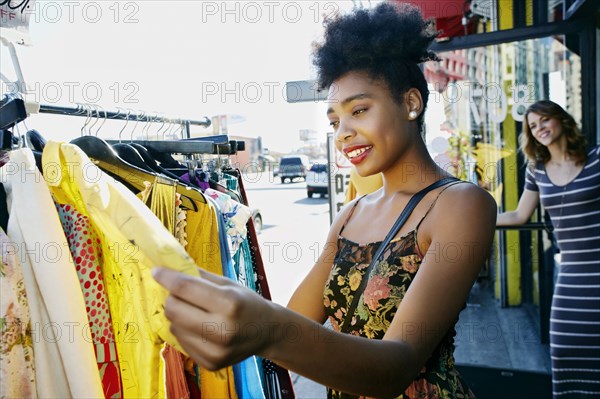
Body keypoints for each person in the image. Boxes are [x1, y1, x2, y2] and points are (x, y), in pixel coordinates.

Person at [153, 4, 497, 398]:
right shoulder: (351, 215)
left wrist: (268, 328)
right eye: (334, 121)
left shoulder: (461, 204)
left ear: (411, 103)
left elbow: (396, 366)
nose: (343, 133)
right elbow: (297, 321)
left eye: (359, 110)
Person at [497, 100, 600, 398]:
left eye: (544, 121)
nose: (539, 128)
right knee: (565, 347)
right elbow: (518, 215)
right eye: (533, 126)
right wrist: (474, 218)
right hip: (570, 274)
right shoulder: (537, 171)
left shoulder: (595, 159)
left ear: (560, 120)